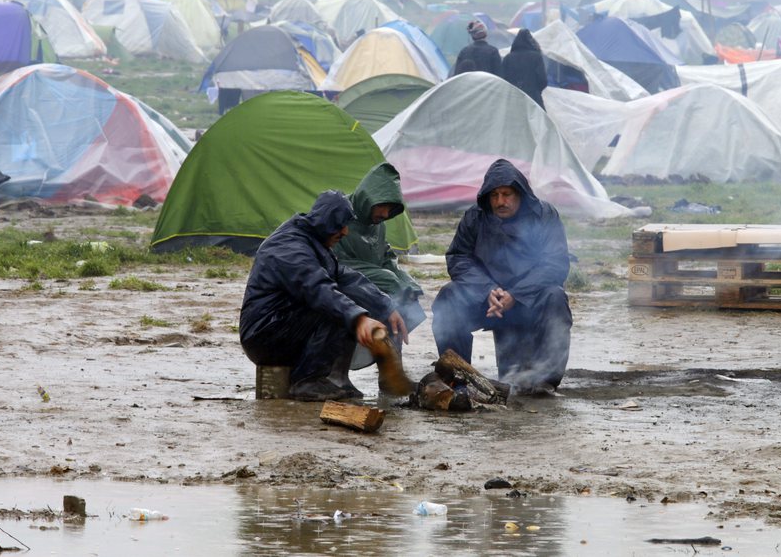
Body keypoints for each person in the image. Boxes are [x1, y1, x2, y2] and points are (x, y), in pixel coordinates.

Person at [239, 190, 407, 401]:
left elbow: (345, 276)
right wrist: (359, 319)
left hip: (285, 323)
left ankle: (336, 379)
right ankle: (307, 381)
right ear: (327, 221)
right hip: (264, 334)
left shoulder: (313, 240)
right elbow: (318, 289)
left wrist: (385, 305)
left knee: (345, 304)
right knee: (336, 310)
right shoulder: (290, 247)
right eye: (340, 225)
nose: (345, 232)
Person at [430, 158, 572, 395]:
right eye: (494, 195)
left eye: (507, 194)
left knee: (555, 297)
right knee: (449, 296)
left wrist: (516, 294)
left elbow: (555, 263)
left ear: (520, 194)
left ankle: (544, 380)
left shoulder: (543, 215)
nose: (500, 201)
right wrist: (487, 290)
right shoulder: (475, 217)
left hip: (527, 300)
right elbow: (458, 257)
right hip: (486, 300)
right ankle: (458, 375)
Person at [334, 163, 425, 369]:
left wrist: (405, 281)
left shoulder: (377, 224)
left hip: (373, 285)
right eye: (382, 206)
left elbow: (385, 255)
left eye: (390, 209)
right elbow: (337, 263)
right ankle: (338, 373)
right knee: (390, 293)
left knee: (403, 298)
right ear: (369, 198)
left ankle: (391, 370)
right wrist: (388, 279)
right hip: (343, 287)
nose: (385, 213)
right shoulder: (342, 215)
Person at [500, 28, 548, 108]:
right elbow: (542, 79)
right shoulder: (536, 57)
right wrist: (536, 90)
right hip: (533, 97)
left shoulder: (507, 58)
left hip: (513, 98)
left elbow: (503, 79)